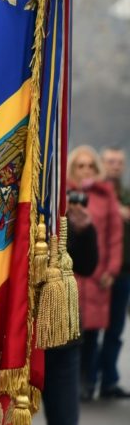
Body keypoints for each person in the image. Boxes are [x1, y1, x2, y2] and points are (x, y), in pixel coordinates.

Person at [0, 203, 100, 425]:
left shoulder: (61, 208)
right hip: (15, 344)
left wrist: (85, 232)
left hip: (62, 343)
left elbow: (87, 265)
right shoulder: (9, 201)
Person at [66, 145, 124, 401]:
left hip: (97, 272)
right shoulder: (64, 194)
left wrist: (112, 268)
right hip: (71, 273)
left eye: (90, 165)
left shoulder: (105, 195)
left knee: (93, 332)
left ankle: (89, 381)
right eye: (81, 165)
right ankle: (70, 382)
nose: (86, 170)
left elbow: (114, 235)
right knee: (69, 331)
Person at [98, 146, 130, 398]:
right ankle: (88, 377)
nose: (115, 166)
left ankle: (109, 379)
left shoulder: (126, 194)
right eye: (110, 161)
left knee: (115, 329)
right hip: (95, 271)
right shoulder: (92, 192)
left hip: (123, 272)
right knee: (88, 329)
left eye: (118, 162)